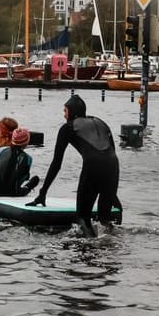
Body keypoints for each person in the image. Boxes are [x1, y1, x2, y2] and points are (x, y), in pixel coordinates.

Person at [26, 94, 121, 237]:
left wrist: (43, 192)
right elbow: (110, 153)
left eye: (65, 111)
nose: (64, 115)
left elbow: (56, 163)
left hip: (93, 166)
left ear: (72, 111)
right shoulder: (101, 123)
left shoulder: (68, 128)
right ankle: (110, 247)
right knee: (104, 218)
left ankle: (89, 248)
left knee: (83, 217)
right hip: (113, 166)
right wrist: (112, 194)